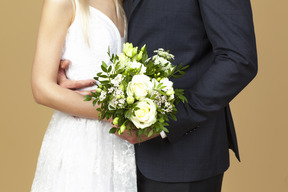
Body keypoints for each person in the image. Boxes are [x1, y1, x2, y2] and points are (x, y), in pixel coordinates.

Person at [58, 0, 258, 191]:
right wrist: (74, 70)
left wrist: (169, 122)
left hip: (184, 157)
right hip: (108, 157)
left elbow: (238, 60)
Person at [30, 0, 137, 191]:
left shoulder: (125, 4)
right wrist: (112, 112)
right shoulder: (63, 2)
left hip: (123, 146)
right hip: (80, 143)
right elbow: (41, 88)